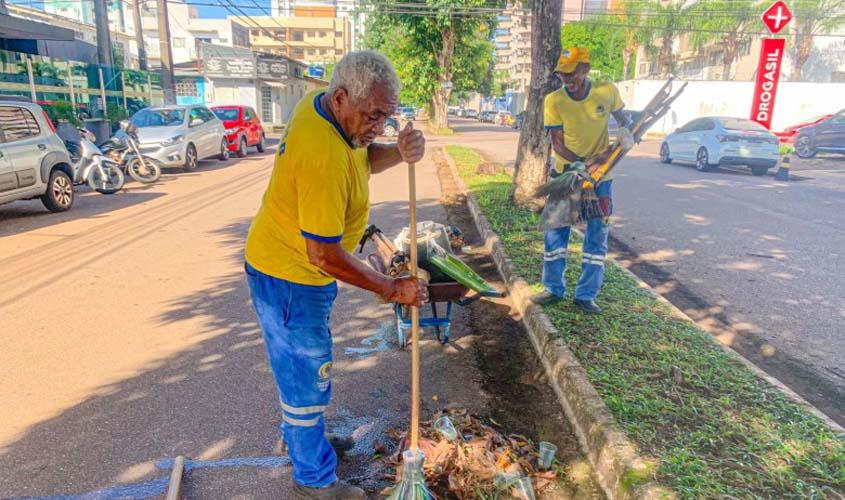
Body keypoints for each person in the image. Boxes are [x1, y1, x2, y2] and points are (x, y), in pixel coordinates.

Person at [243, 50, 428, 499]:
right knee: (307, 373)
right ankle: (314, 480)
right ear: (342, 97)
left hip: (297, 269)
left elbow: (361, 157)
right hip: (290, 275)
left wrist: (397, 153)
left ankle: (308, 443)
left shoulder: (326, 109)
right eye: (374, 116)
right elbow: (324, 254)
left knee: (305, 369)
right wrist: (390, 288)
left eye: (387, 116)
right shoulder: (320, 153)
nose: (380, 126)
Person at [531, 47, 630, 314]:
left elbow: (624, 117)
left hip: (602, 178)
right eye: (562, 74)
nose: (567, 79)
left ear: (585, 68)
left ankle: (586, 295)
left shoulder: (606, 91)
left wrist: (625, 132)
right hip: (569, 175)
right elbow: (557, 144)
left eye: (572, 72)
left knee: (597, 237)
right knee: (555, 233)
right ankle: (553, 288)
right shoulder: (554, 101)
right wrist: (581, 164)